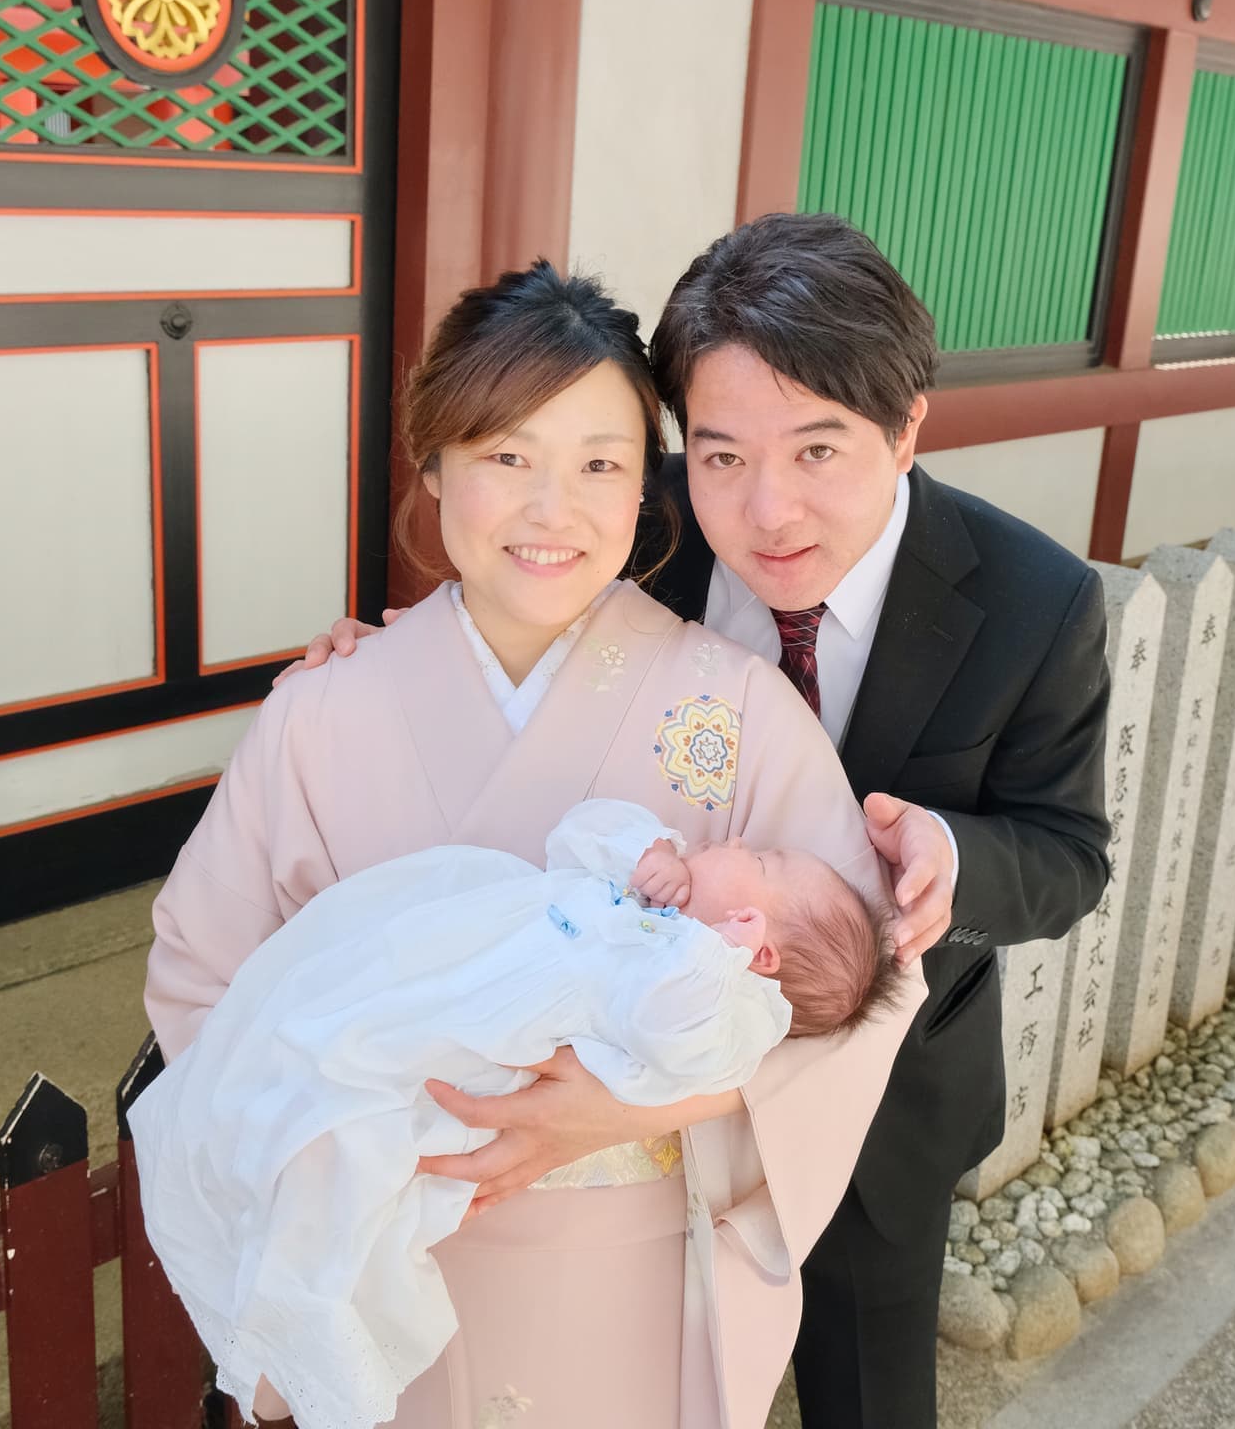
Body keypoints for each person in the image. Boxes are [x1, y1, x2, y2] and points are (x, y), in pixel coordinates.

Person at [297, 213, 1112, 1426]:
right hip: (619, 1097)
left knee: (869, 1394)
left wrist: (951, 853)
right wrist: (393, 664)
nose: (767, 511)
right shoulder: (637, 532)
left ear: (907, 424)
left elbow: (1068, 854)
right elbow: (500, 629)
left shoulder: (1037, 600)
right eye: (722, 454)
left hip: (872, 1095)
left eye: (819, 451)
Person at [144, 258, 929, 1429]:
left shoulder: (738, 704)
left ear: (643, 486)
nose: (552, 509)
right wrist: (323, 1159)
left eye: (601, 465)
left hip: (631, 1264)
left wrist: (643, 1108)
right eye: (507, 457)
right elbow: (202, 981)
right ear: (434, 464)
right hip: (375, 1263)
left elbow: (855, 987)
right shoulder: (325, 708)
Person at [132, 799, 901, 1429]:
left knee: (353, 1122)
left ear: (757, 948)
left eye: (762, 863)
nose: (738, 839)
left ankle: (304, 1302)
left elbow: (680, 1040)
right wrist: (652, 854)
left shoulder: (730, 1006)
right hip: (469, 956)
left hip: (498, 1051)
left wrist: (710, 957)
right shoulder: (648, 904)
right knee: (337, 1032)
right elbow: (574, 833)